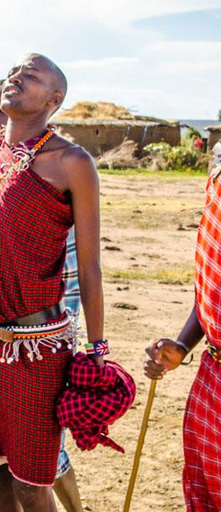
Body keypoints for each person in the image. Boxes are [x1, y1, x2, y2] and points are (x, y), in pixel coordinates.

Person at [0, 54, 105, 512]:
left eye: (31, 75)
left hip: (37, 351)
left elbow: (91, 268)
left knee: (32, 486)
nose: (16, 77)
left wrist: (97, 352)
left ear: (54, 99)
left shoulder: (72, 162)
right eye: (15, 71)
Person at [143, 153, 221, 510]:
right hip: (212, 376)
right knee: (204, 491)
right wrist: (185, 343)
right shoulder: (219, 171)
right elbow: (212, 281)